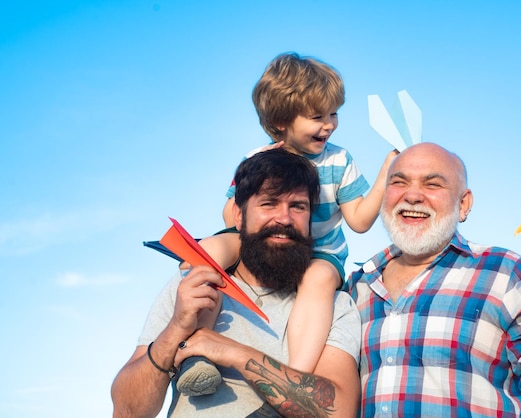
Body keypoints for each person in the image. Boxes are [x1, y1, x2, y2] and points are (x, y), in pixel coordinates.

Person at [177, 51, 397, 396]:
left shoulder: (339, 160)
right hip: (263, 240)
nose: (330, 124)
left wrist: (386, 173)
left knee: (319, 279)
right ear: (281, 121)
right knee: (209, 251)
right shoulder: (258, 159)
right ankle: (196, 348)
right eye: (317, 116)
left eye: (334, 114)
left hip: (318, 252)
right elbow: (229, 215)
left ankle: (293, 378)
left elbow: (359, 221)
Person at [111, 148, 362, 417]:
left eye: (298, 206)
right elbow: (127, 412)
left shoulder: (335, 306)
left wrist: (234, 353)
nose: (285, 218)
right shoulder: (192, 286)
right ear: (239, 216)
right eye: (268, 204)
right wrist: (175, 330)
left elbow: (339, 412)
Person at [344, 142, 521, 417]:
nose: (412, 195)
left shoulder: (502, 272)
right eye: (399, 182)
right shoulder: (356, 286)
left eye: (432, 184)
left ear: (464, 203)